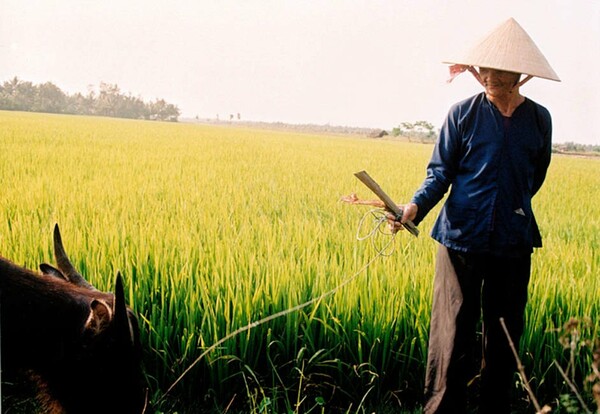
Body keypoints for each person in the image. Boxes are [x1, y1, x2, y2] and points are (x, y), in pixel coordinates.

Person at [388, 18, 560, 414]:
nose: (485, 75)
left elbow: (535, 176)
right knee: (452, 333)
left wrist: (508, 207)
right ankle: (441, 409)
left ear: (520, 75)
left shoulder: (539, 120)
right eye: (481, 68)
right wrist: (414, 207)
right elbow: (440, 173)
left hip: (513, 241)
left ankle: (494, 408)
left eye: (497, 69)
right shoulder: (461, 114)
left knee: (504, 335)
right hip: (460, 238)